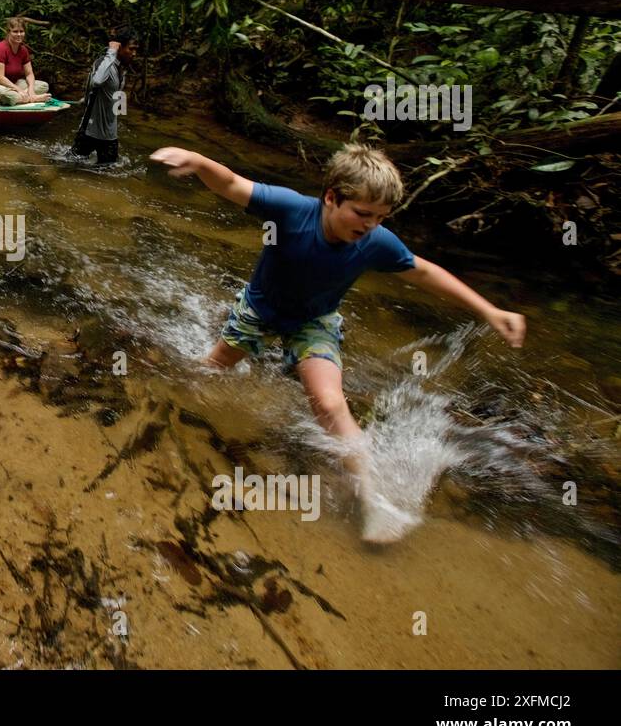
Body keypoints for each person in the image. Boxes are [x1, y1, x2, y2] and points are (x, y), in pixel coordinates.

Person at [149, 142, 526, 543]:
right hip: (259, 311)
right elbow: (231, 183)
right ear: (331, 197)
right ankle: (165, 399)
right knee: (211, 371)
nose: (369, 225)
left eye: (380, 218)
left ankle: (372, 500)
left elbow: (424, 272)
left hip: (315, 322)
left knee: (329, 403)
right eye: (362, 213)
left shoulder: (376, 241)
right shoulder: (291, 210)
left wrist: (489, 310)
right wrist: (200, 159)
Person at [70, 28, 138, 165]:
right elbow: (97, 81)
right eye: (131, 49)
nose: (134, 54)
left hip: (109, 136)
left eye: (136, 50)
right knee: (70, 167)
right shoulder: (104, 62)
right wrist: (111, 52)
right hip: (89, 132)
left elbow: (118, 104)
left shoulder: (122, 70)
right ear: (119, 47)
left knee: (108, 174)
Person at [0, 16, 49, 105]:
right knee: (10, 96)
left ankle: (27, 96)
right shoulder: (0, 49)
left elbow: (29, 73)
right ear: (8, 32)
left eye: (21, 31)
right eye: (15, 31)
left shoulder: (23, 50)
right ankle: (32, 98)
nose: (19, 34)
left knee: (43, 86)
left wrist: (31, 90)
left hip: (14, 83)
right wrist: (19, 89)